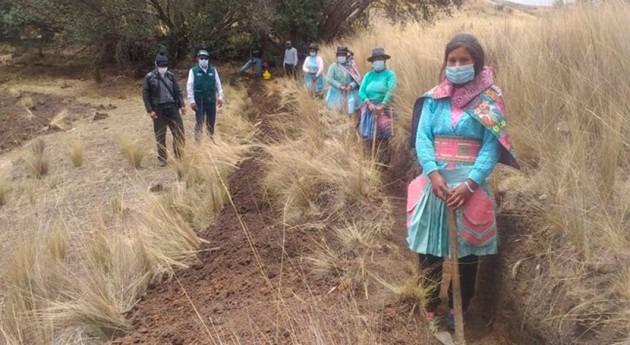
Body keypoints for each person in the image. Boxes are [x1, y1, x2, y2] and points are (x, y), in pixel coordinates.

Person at [406, 33, 520, 331]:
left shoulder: (490, 99)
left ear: (476, 63)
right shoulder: (434, 97)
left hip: (469, 187)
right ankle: (430, 306)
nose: (456, 65)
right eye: (452, 60)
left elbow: (491, 145)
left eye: (464, 60)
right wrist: (432, 173)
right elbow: (423, 138)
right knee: (430, 252)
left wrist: (470, 184)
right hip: (437, 186)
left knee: (468, 257)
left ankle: (459, 309)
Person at [142, 52, 186, 167]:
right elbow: (146, 95)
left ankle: (179, 154)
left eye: (165, 65)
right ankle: (162, 158)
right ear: (156, 64)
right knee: (160, 135)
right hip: (158, 109)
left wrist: (182, 105)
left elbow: (178, 91)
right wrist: (150, 110)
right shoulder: (149, 77)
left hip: (172, 107)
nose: (163, 68)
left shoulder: (171, 76)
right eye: (161, 65)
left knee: (179, 132)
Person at [358, 48, 397, 150]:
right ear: (372, 62)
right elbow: (361, 91)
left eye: (379, 59)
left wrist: (383, 105)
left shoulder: (390, 75)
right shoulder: (368, 75)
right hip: (369, 107)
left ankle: (385, 161)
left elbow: (391, 90)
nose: (377, 61)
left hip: (384, 108)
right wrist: (369, 103)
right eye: (375, 60)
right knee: (369, 137)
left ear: (384, 61)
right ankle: (370, 158)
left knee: (384, 137)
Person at [186, 49, 224, 141]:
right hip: (199, 102)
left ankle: (210, 139)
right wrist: (192, 101)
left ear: (208, 59)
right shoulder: (193, 71)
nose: (204, 60)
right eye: (201, 58)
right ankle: (198, 142)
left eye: (206, 58)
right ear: (198, 59)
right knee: (199, 122)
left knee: (211, 122)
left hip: (211, 101)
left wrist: (220, 97)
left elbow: (218, 84)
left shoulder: (213, 70)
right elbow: (189, 86)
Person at [325, 46, 362, 115]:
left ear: (346, 56)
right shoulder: (333, 66)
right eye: (339, 55)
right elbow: (329, 78)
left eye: (343, 55)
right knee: (337, 111)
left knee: (351, 111)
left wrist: (351, 86)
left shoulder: (351, 67)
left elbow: (357, 80)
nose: (341, 57)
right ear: (337, 56)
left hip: (350, 92)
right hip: (336, 92)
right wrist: (340, 86)